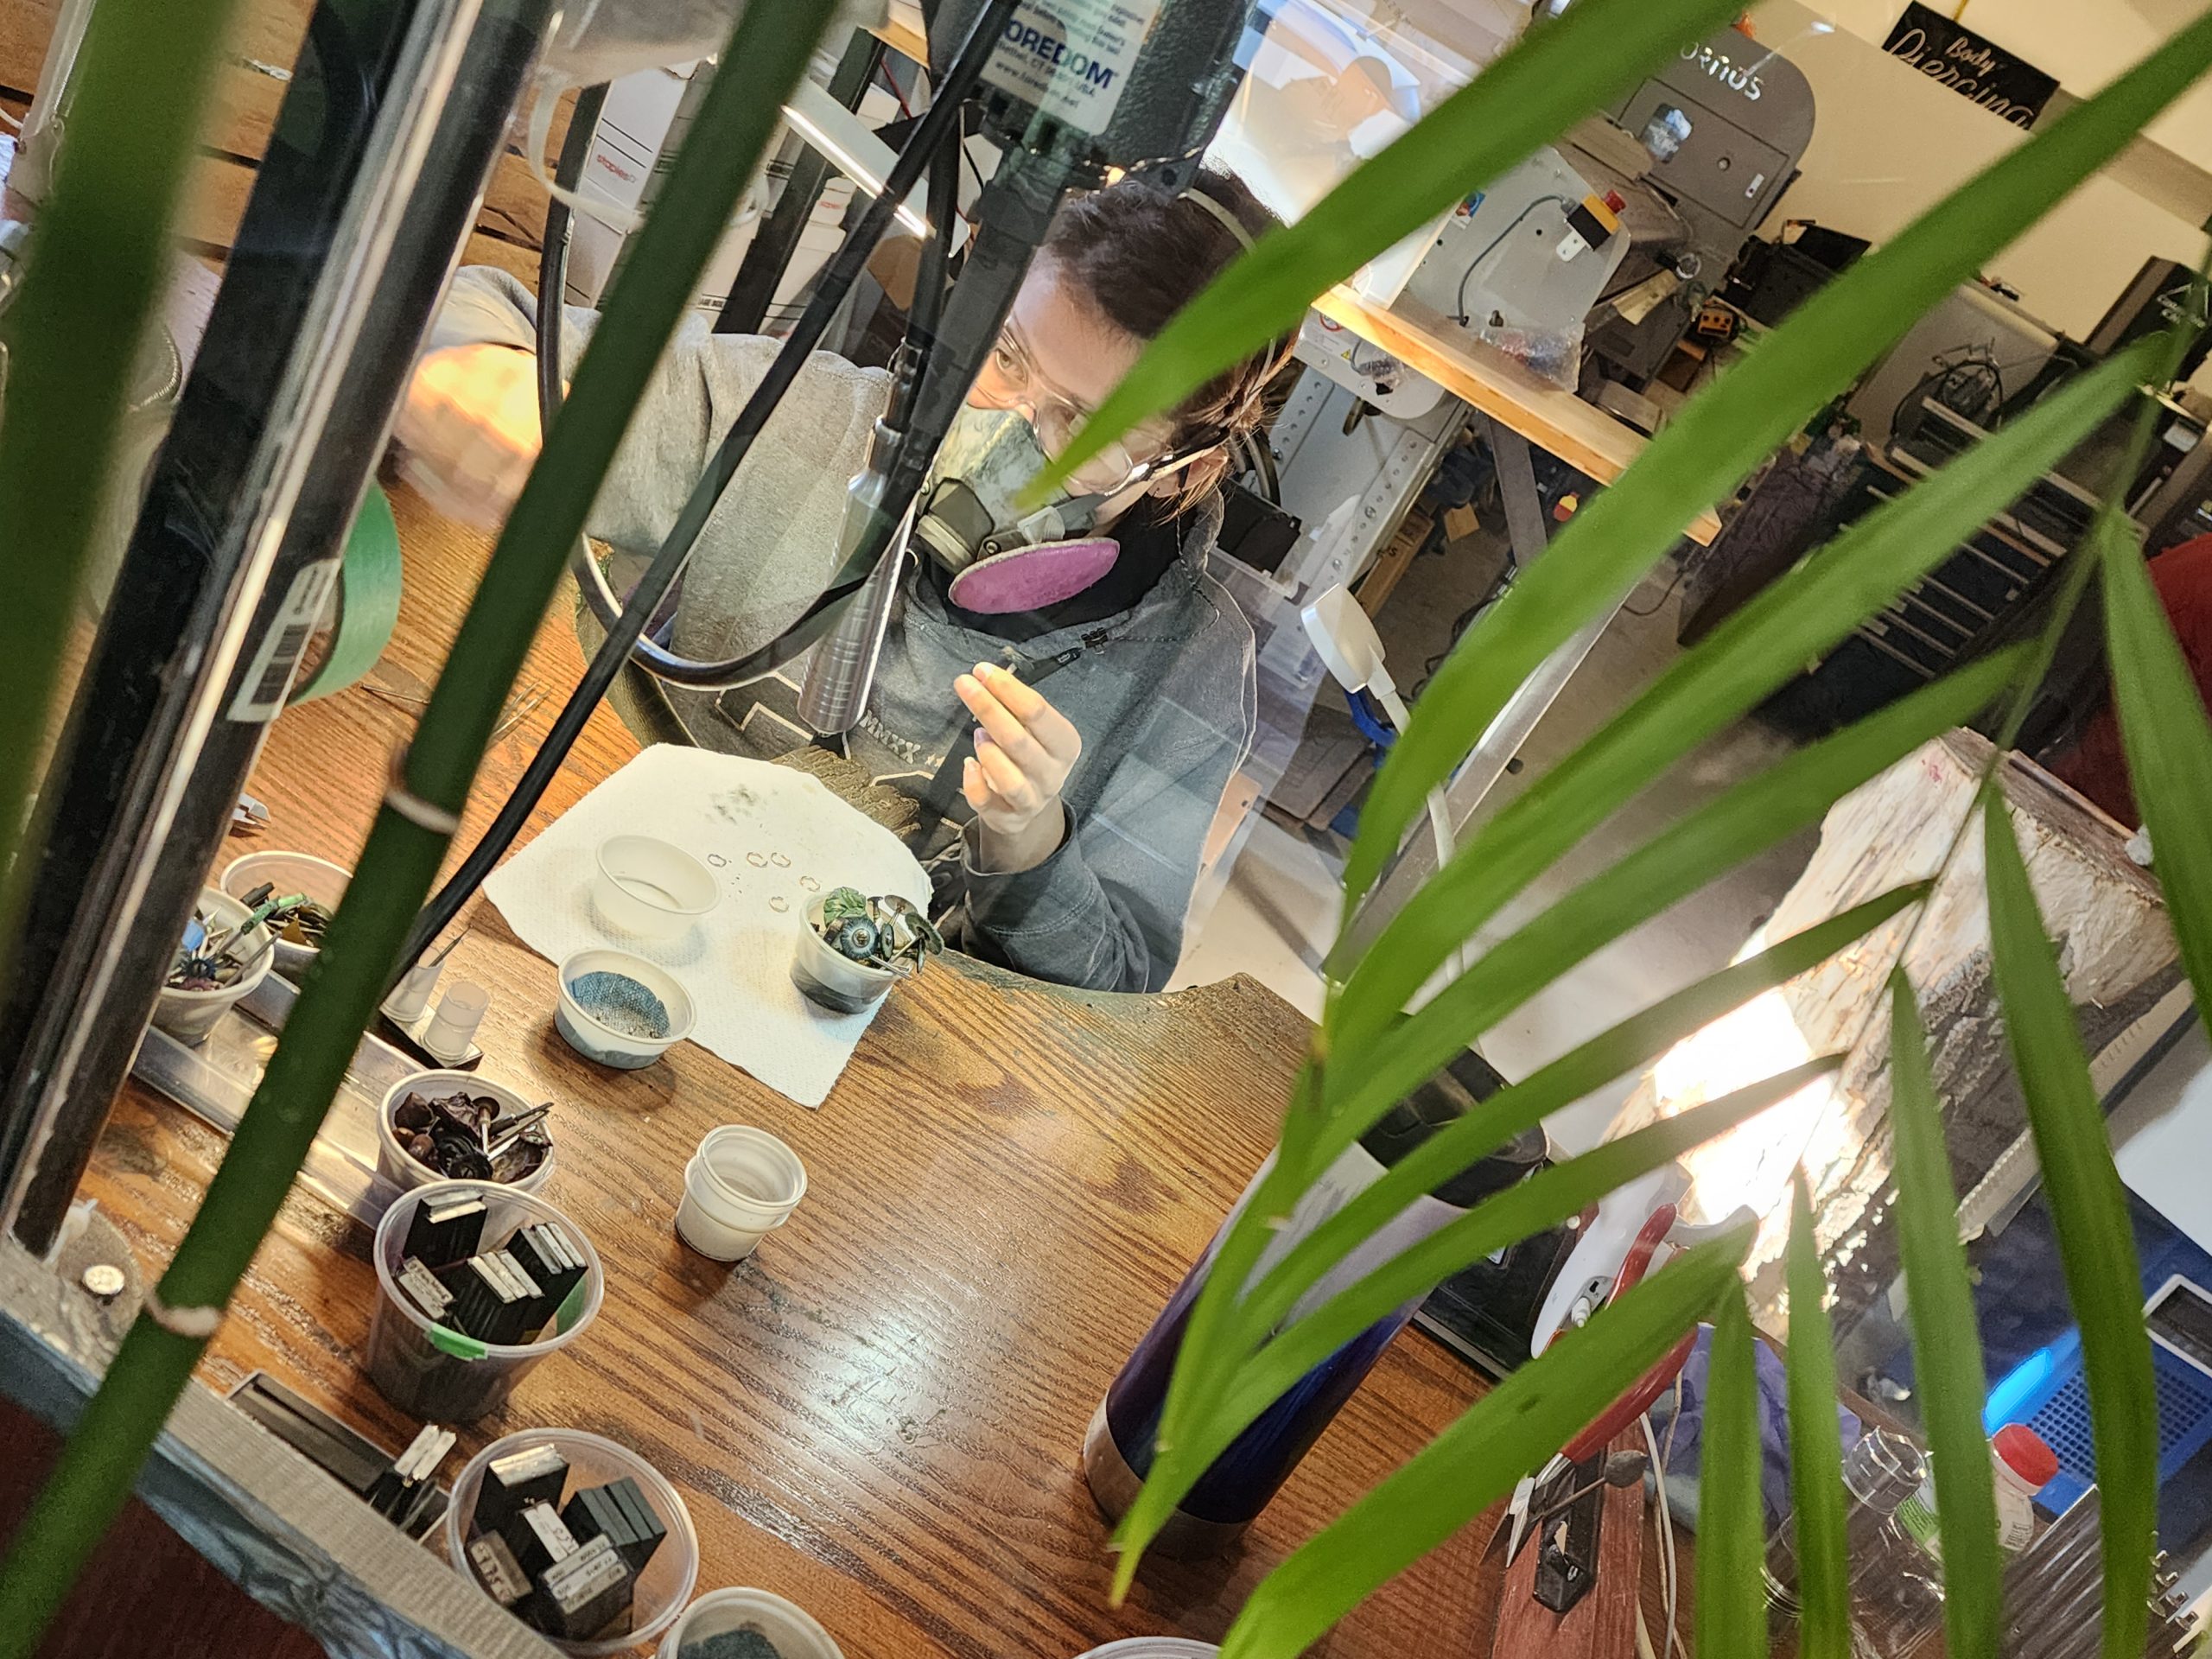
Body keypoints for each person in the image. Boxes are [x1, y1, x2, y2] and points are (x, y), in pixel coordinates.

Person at [396, 168, 1289, 993]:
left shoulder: (1187, 672)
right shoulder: (804, 416)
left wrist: (1029, 844)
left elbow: (1117, 985)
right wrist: (475, 375)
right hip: (599, 896)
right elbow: (488, 309)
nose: (1007, 430)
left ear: (1182, 468)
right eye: (1007, 357)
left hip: (851, 1026)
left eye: (1081, 428)